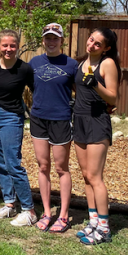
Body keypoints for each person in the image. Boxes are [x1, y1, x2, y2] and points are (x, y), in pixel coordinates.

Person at [0, 29, 37, 226]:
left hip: (12, 117)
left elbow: (37, 91)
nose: (8, 49)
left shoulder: (24, 69)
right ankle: (10, 204)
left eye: (12, 45)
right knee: (0, 162)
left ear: (18, 46)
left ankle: (29, 210)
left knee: (13, 163)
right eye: (5, 45)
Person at [73, 28, 121, 245]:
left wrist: (96, 83)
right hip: (80, 120)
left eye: (98, 44)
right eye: (91, 40)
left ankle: (104, 229)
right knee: (85, 175)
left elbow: (113, 97)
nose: (91, 45)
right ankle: (93, 221)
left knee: (95, 177)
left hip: (97, 122)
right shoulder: (82, 62)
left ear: (107, 48)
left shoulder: (107, 64)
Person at [29, 23, 77, 233]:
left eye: (55, 38)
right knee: (42, 166)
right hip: (38, 118)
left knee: (61, 168)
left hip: (60, 119)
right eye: (48, 38)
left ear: (61, 41)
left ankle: (64, 215)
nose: (51, 42)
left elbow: (81, 90)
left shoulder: (72, 65)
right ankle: (47, 212)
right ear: (43, 40)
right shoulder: (34, 62)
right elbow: (33, 87)